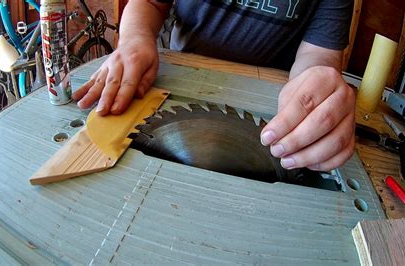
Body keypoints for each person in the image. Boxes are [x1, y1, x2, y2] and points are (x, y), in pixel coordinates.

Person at [72, 0, 356, 172]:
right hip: (177, 82)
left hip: (269, 107)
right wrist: (134, 38)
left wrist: (316, 88)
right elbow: (151, 3)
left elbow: (318, 55)